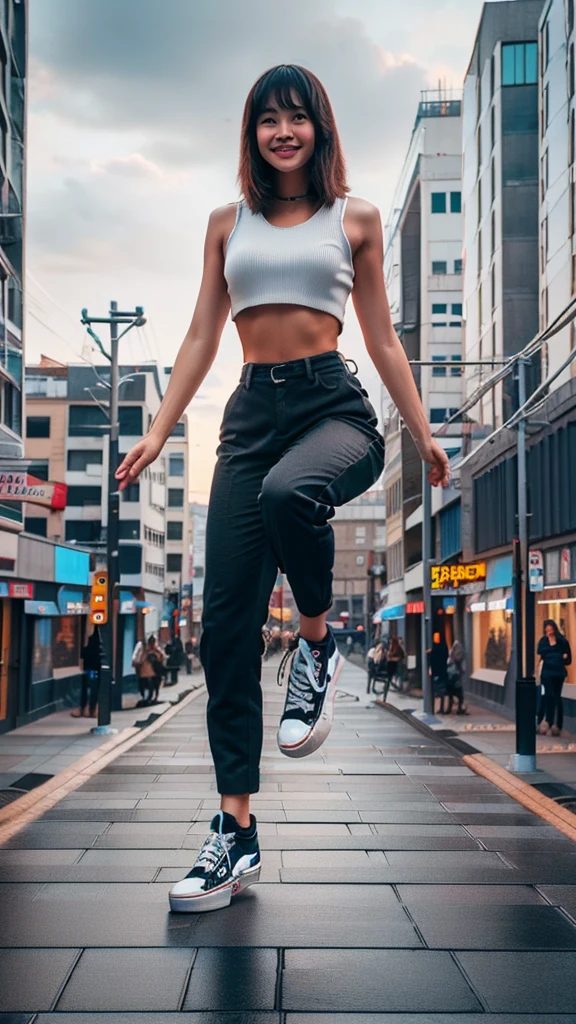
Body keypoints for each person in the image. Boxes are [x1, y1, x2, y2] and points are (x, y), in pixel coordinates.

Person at [115, 64, 449, 914]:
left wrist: (421, 430)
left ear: (320, 128)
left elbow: (382, 340)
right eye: (269, 119)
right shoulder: (228, 225)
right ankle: (235, 830)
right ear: (253, 134)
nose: (284, 131)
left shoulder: (357, 218)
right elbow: (199, 335)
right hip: (249, 414)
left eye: (298, 117)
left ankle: (314, 645)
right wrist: (159, 431)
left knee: (288, 497)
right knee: (225, 627)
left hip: (331, 407)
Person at [537, 619, 572, 736]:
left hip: (558, 673)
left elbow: (568, 660)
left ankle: (557, 725)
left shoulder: (562, 642)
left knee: (557, 697)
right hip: (547, 673)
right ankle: (548, 721)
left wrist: (564, 657)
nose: (549, 633)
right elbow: (540, 654)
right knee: (549, 695)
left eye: (551, 630)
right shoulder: (543, 642)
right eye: (547, 631)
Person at [71, 628, 101, 718]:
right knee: (94, 691)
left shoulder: (89, 644)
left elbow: (83, 654)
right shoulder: (101, 646)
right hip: (96, 670)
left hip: (87, 670)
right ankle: (93, 710)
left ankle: (85, 709)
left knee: (86, 690)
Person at [138, 635, 165, 704]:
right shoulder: (146, 651)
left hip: (155, 671)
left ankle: (154, 697)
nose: (152, 644)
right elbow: (142, 660)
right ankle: (149, 697)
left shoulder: (157, 650)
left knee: (155, 685)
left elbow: (162, 658)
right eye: (151, 642)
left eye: (153, 642)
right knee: (149, 685)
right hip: (148, 672)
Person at [446, 639, 469, 715]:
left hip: (452, 676)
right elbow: (463, 667)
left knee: (451, 693)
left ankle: (451, 708)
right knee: (458, 693)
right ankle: (459, 708)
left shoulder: (452, 655)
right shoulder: (460, 655)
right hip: (456, 676)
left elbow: (449, 662)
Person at [430, 632, 449, 714]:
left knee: (439, 690)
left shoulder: (438, 647)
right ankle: (439, 707)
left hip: (439, 671)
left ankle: (441, 707)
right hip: (439, 670)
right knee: (437, 690)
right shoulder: (439, 647)